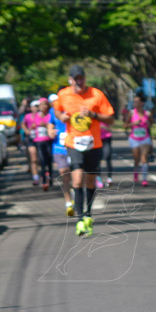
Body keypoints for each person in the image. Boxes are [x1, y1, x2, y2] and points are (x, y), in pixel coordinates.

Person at [54, 65, 115, 237]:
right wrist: (61, 117)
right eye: (76, 78)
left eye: (81, 78)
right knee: (77, 179)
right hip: (73, 143)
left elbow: (110, 119)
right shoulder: (64, 94)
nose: (79, 81)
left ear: (85, 78)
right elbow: (57, 110)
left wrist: (94, 115)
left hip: (94, 144)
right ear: (71, 80)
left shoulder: (97, 95)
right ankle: (80, 219)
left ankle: (88, 214)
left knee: (90, 182)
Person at [47, 94, 75, 215]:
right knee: (64, 175)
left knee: (76, 177)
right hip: (59, 148)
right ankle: (68, 202)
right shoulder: (53, 112)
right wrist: (51, 132)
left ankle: (77, 196)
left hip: (74, 147)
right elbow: (50, 127)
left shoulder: (73, 109)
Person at [125, 93, 153, 187]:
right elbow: (125, 125)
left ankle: (144, 179)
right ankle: (136, 172)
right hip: (134, 138)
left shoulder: (147, 113)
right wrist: (133, 124)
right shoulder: (131, 113)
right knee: (136, 159)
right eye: (134, 102)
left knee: (144, 158)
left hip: (145, 138)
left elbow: (151, 124)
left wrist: (148, 123)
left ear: (142, 103)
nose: (135, 103)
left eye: (137, 102)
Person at [33, 98, 54, 190]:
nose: (43, 106)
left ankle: (51, 177)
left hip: (48, 140)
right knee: (42, 161)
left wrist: (45, 125)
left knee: (49, 159)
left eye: (45, 104)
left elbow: (52, 125)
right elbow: (32, 125)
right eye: (41, 105)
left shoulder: (50, 115)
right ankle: (44, 181)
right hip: (39, 141)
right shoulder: (36, 115)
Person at [23, 100, 41, 184]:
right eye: (35, 106)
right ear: (31, 108)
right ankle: (35, 177)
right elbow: (23, 124)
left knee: (41, 159)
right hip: (31, 139)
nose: (36, 108)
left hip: (41, 139)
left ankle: (45, 174)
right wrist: (27, 130)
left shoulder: (42, 115)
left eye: (38, 106)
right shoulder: (27, 116)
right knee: (33, 159)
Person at [96, 115, 114, 188]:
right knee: (97, 159)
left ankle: (109, 178)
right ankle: (98, 178)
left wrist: (103, 127)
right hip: (97, 139)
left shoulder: (106, 113)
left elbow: (112, 125)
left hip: (106, 138)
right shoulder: (92, 112)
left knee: (107, 156)